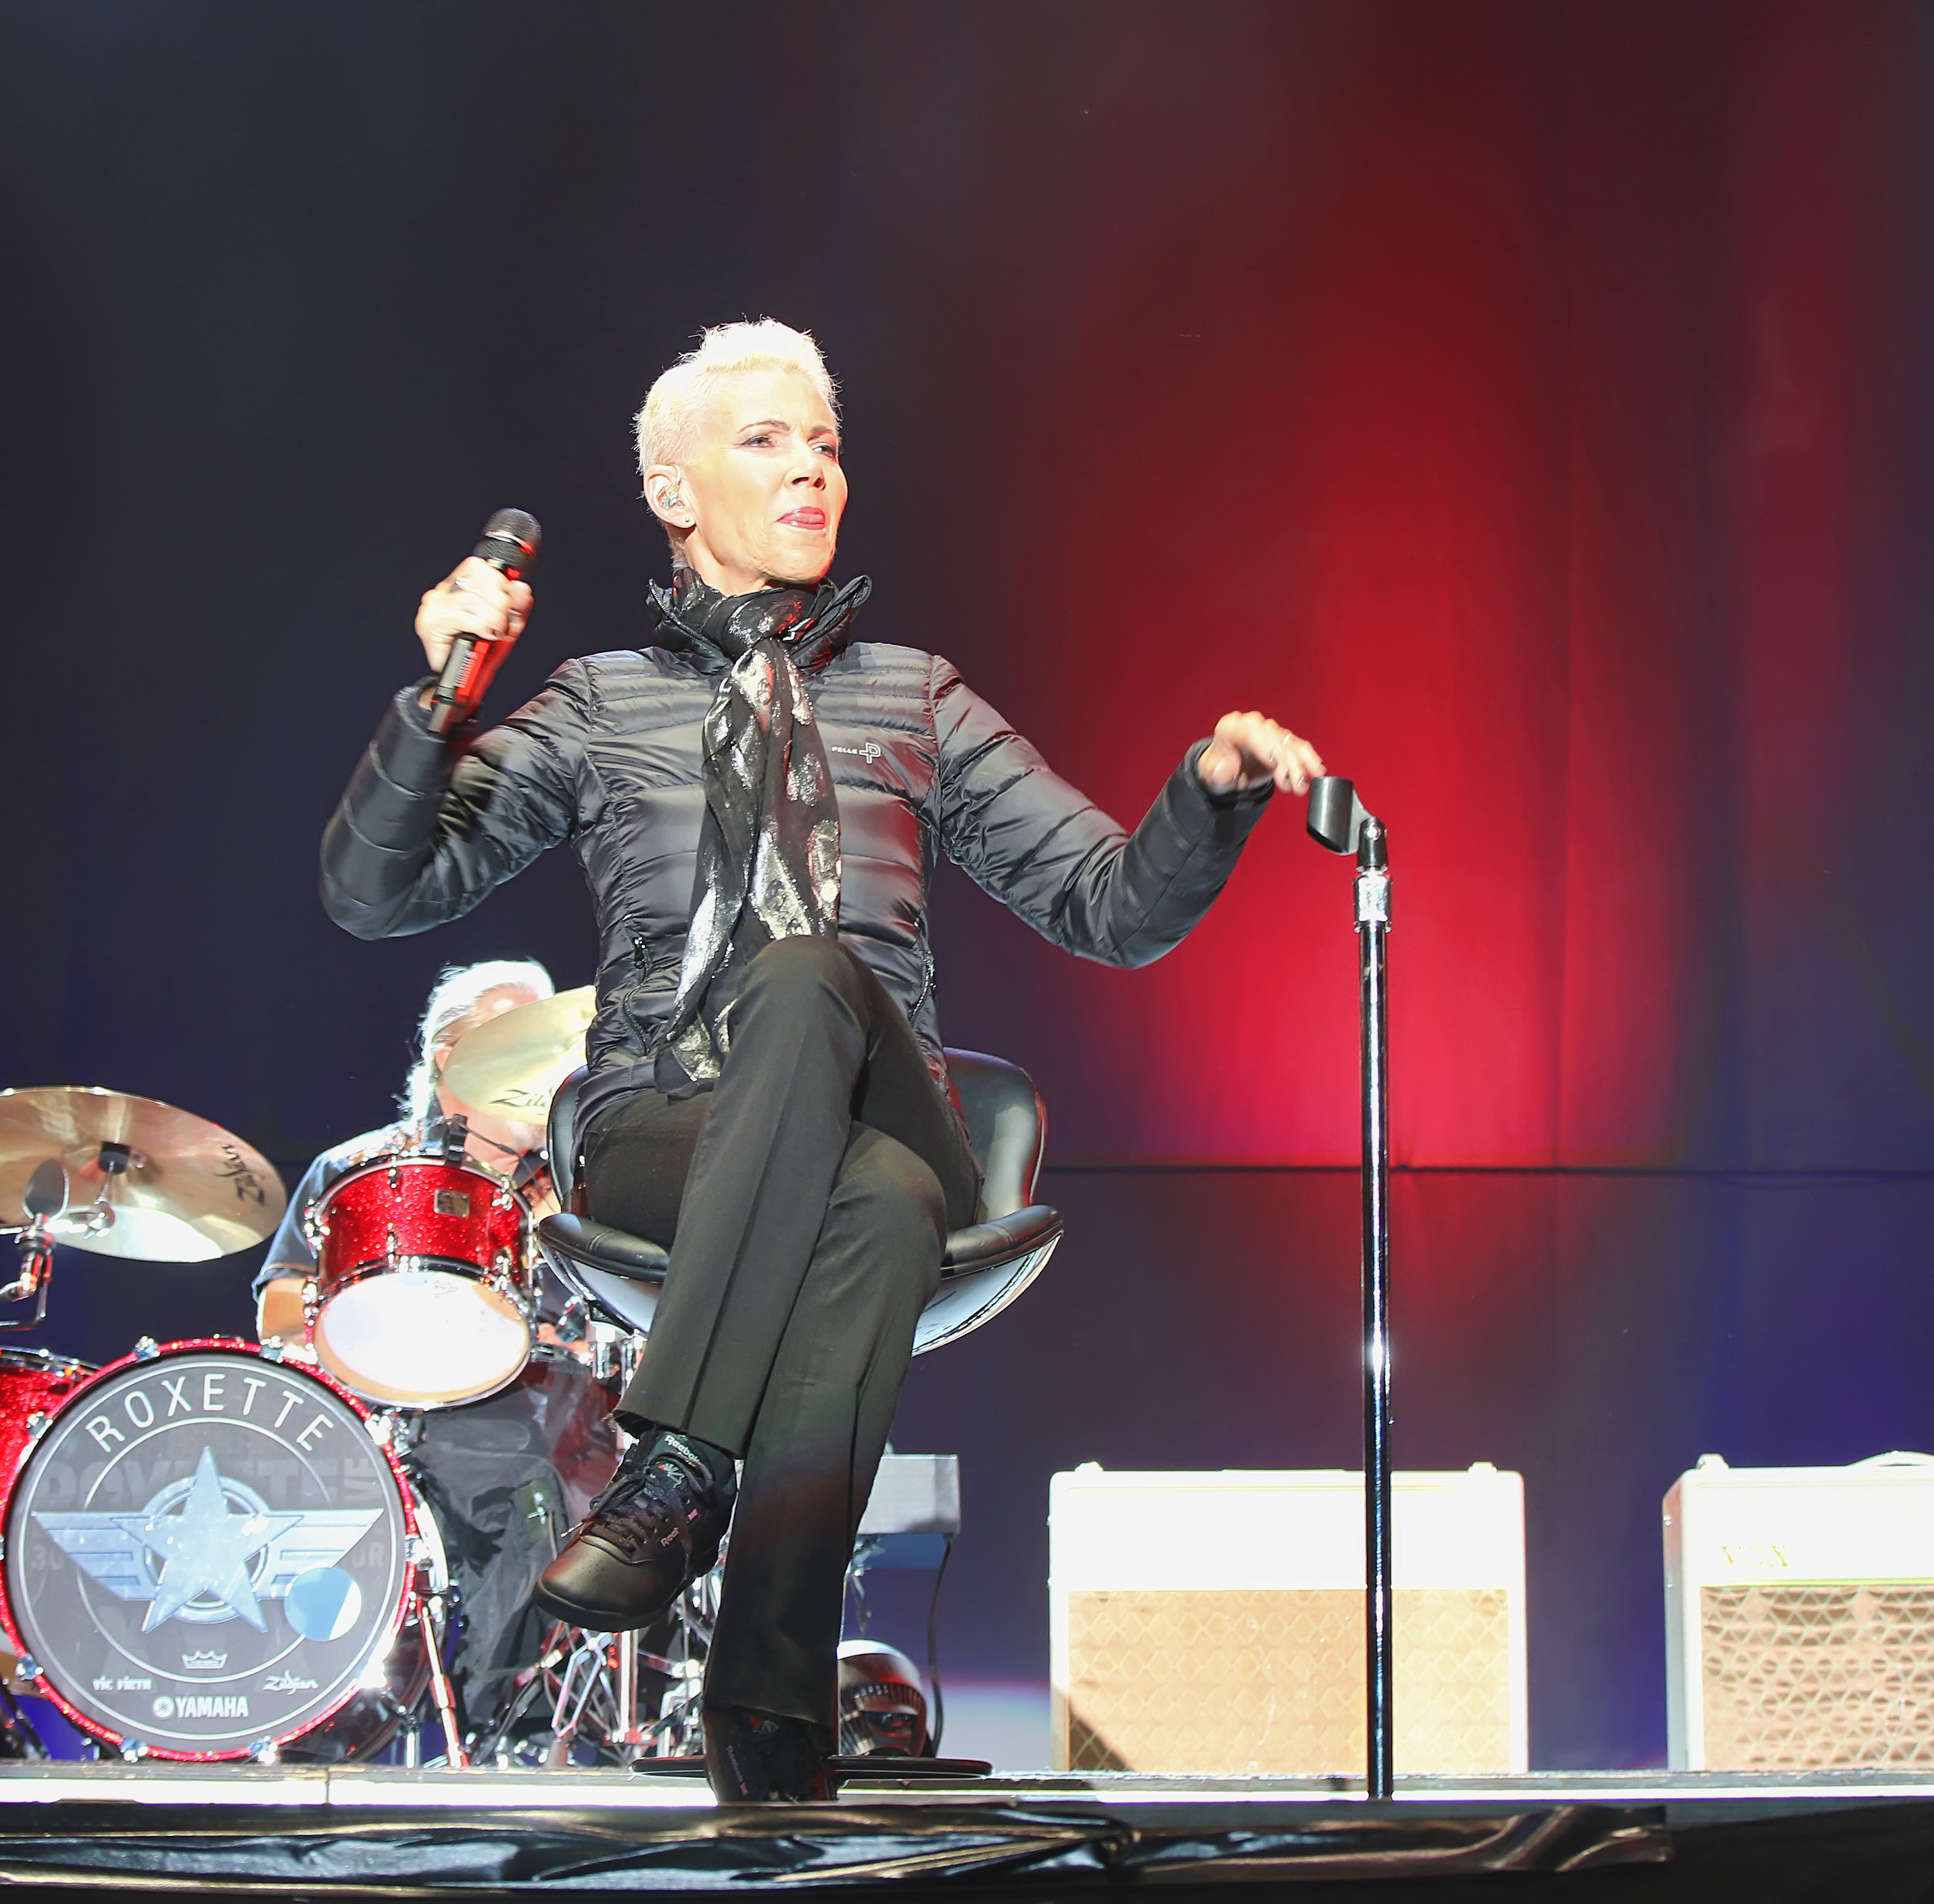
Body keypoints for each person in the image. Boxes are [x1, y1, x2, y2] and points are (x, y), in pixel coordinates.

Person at [319, 319, 1324, 1801]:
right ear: (674, 491)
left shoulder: (915, 695)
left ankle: (680, 1463)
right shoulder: (599, 704)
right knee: (879, 1207)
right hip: (668, 1128)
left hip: (884, 1097)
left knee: (810, 987)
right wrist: (439, 708)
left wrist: (1210, 792)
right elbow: (375, 893)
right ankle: (768, 1721)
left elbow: (1109, 909)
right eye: (767, 442)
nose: (811, 472)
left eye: (828, 446)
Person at [254, 959, 618, 1745]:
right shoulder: (358, 1169)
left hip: (535, 1432)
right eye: (519, 1042)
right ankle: (314, 1737)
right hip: (373, 1425)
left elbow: (629, 1328)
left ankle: (509, 1741)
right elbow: (280, 1311)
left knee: (532, 1494)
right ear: (449, 1058)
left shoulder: (582, 1191)